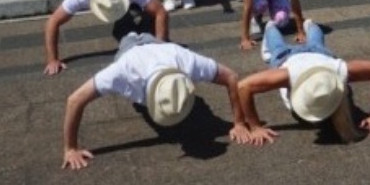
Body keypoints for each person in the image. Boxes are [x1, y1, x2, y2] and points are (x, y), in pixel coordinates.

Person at [61, 35, 251, 170]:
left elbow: (231, 77)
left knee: (148, 35)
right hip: (129, 50)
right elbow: (74, 100)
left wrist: (239, 123)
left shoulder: (185, 60)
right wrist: (70, 148)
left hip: (160, 46)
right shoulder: (123, 71)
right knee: (127, 35)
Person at [237, 19, 370, 145]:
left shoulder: (338, 69)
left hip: (320, 55)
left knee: (316, 41)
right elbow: (243, 87)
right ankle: (274, 25)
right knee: (277, 44)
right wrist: (255, 126)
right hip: (287, 58)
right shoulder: (289, 75)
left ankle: (309, 25)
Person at [44, 0, 168, 75]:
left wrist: (161, 47)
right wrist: (52, 59)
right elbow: (53, 21)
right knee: (120, 29)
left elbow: (160, 12)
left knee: (149, 21)